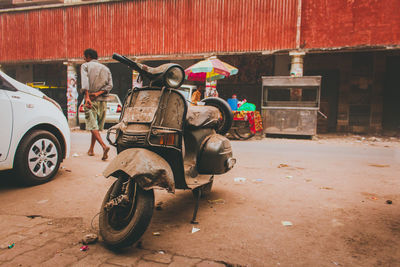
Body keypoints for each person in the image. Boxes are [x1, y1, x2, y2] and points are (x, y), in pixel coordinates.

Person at [80, 48, 113, 161]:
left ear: (88, 56)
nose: (83, 59)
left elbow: (85, 83)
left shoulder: (85, 66)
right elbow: (110, 85)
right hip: (103, 100)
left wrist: (88, 97)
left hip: (91, 100)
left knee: (92, 125)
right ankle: (91, 150)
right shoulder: (106, 68)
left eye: (84, 56)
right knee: (96, 126)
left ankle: (104, 146)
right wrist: (99, 93)